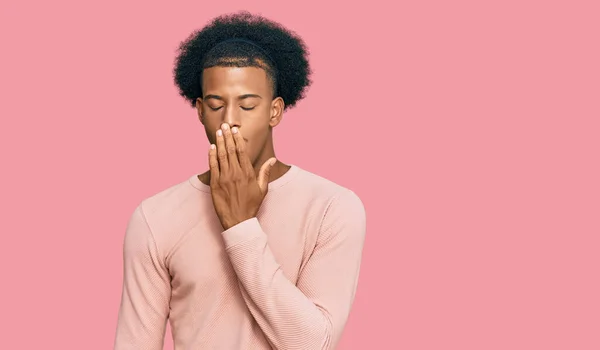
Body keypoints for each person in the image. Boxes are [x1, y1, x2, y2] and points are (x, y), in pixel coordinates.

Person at [114, 11, 367, 350]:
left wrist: (240, 225)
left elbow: (313, 344)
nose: (229, 121)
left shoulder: (332, 208)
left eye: (247, 106)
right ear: (201, 110)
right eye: (217, 105)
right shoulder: (155, 217)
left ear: (275, 111)